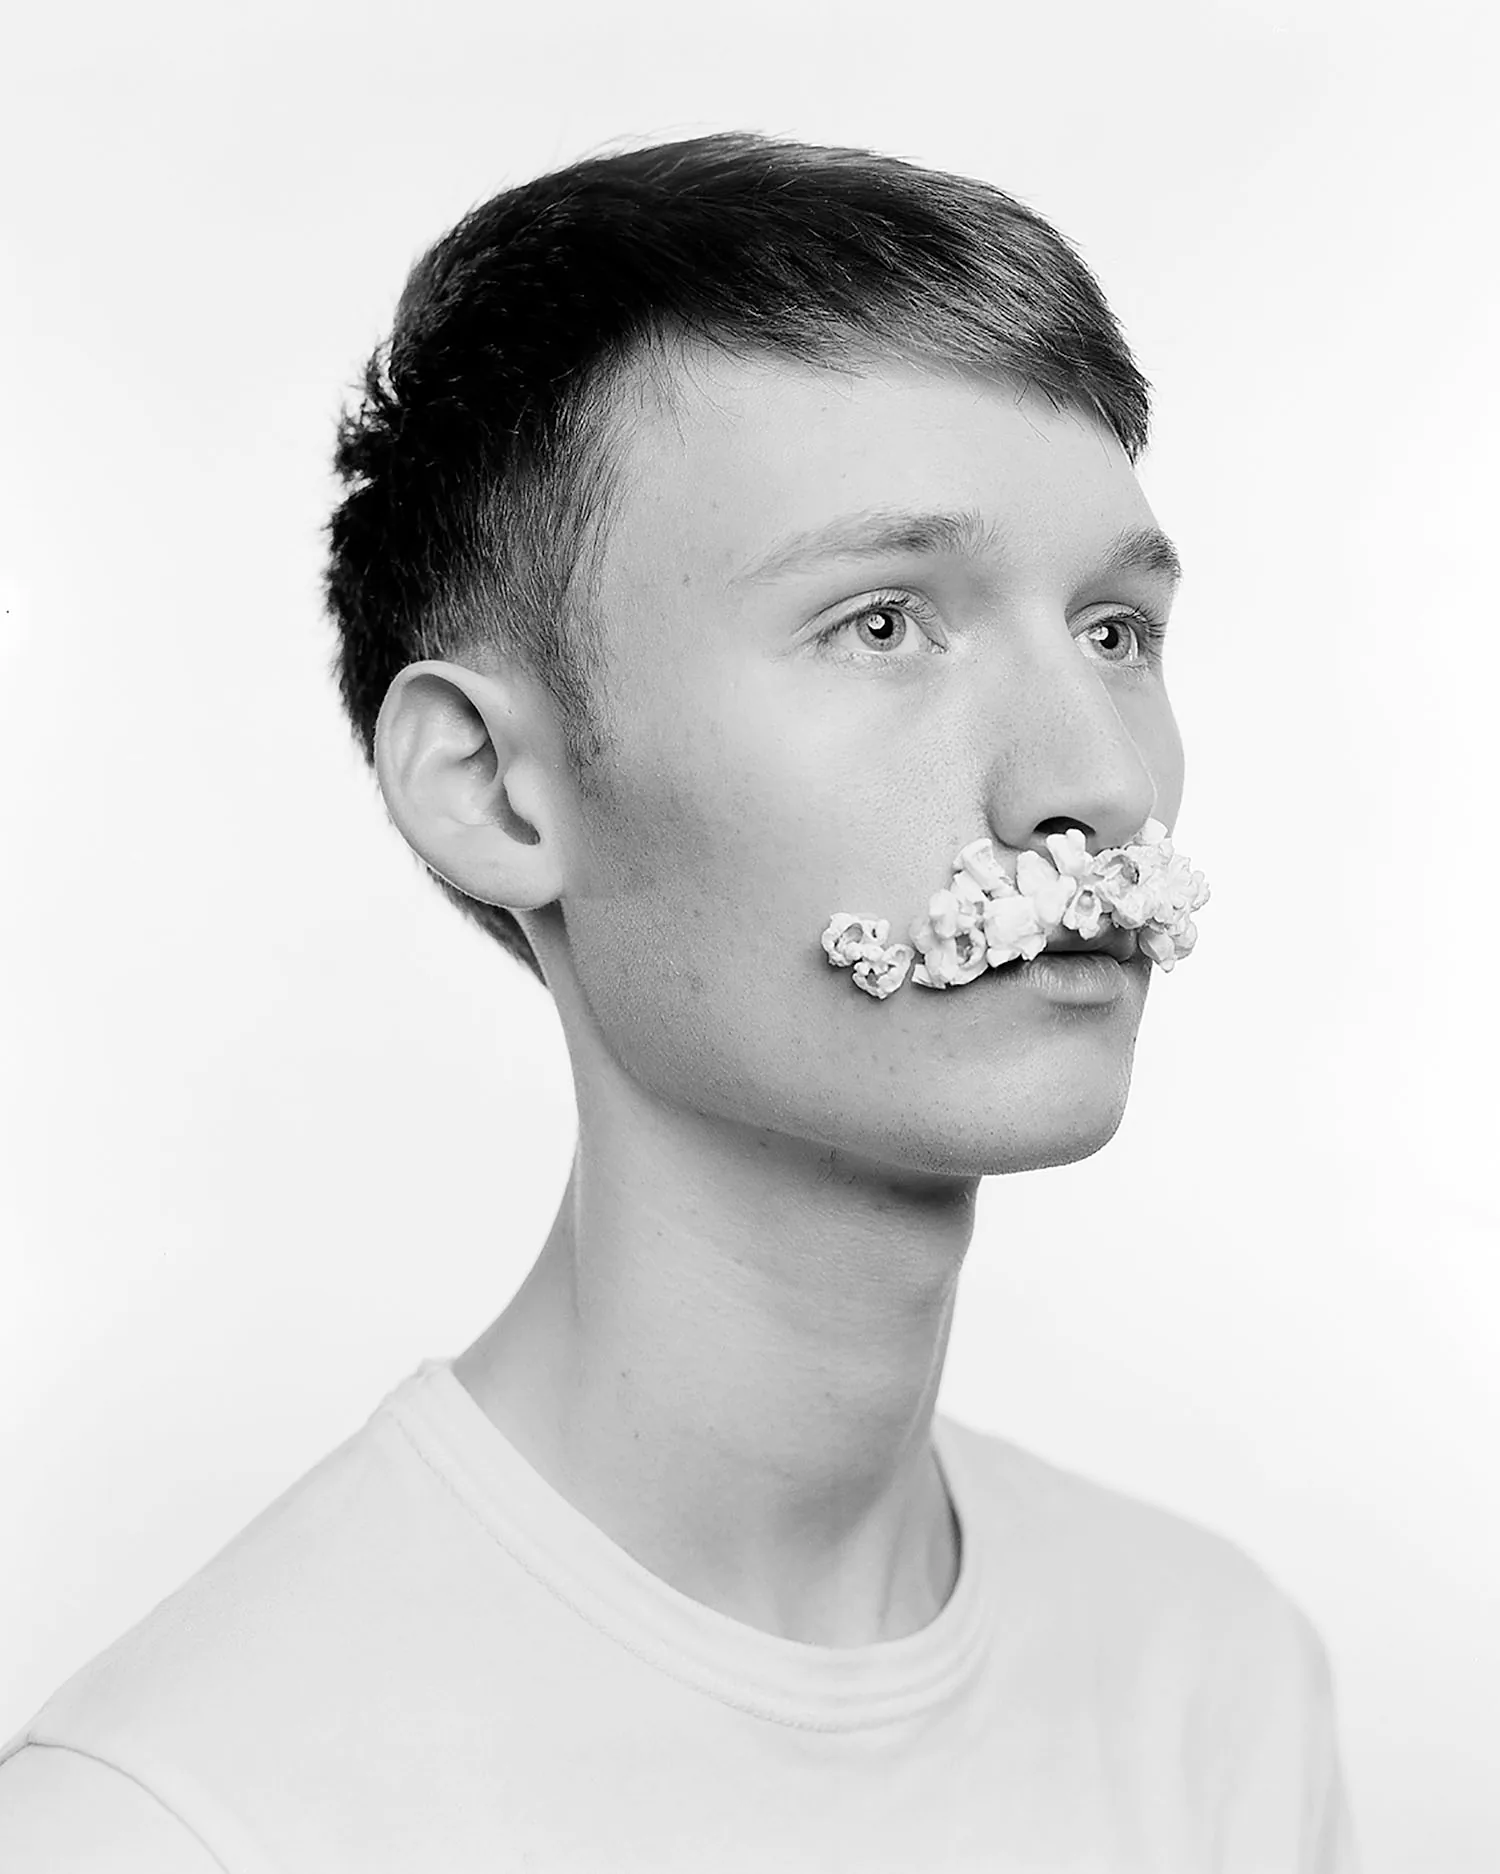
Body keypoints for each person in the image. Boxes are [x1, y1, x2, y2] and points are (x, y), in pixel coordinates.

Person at [0, 131, 1359, 1871]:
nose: (1090, 779)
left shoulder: (1221, 1685)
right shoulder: (172, 1822)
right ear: (494, 788)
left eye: (1113, 631)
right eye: (882, 623)